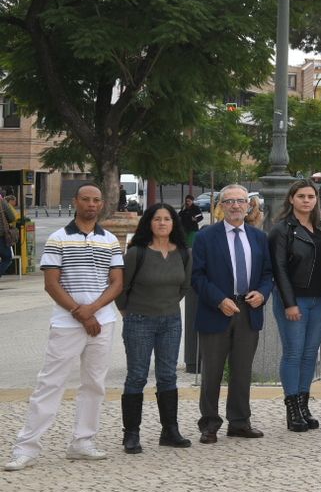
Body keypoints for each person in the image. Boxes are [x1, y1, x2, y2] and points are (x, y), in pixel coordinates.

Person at [5, 186, 124, 471]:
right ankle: (26, 448)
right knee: (50, 383)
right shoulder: (58, 239)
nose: (92, 205)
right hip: (67, 323)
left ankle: (82, 442)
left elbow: (117, 282)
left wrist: (92, 311)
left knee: (94, 384)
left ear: (102, 204)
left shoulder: (110, 240)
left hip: (102, 322)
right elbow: (51, 283)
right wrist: (79, 313)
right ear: (76, 202)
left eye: (96, 200)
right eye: (86, 199)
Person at [188, 184, 274, 444]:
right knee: (212, 371)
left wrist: (262, 293)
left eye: (240, 201)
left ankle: (239, 422)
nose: (235, 206)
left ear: (249, 206)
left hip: (249, 310)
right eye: (229, 202)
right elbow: (197, 277)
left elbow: (268, 274)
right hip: (217, 310)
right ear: (221, 207)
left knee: (242, 371)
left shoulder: (259, 237)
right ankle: (209, 424)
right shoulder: (206, 236)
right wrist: (219, 300)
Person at [115, 202, 191, 453]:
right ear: (148, 223)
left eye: (167, 219)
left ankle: (170, 430)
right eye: (156, 219)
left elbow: (184, 287)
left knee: (168, 375)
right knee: (137, 375)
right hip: (139, 320)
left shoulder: (183, 252)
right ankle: (131, 434)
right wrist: (130, 313)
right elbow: (121, 289)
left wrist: (165, 306)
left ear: (173, 223)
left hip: (171, 320)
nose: (161, 223)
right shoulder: (137, 252)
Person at [269, 180, 321, 433]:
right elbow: (279, 270)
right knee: (293, 353)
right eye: (301, 196)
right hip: (295, 300)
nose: (307, 200)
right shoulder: (282, 230)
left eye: (311, 196)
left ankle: (304, 404)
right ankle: (292, 409)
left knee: (310, 354)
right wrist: (289, 303)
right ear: (291, 199)